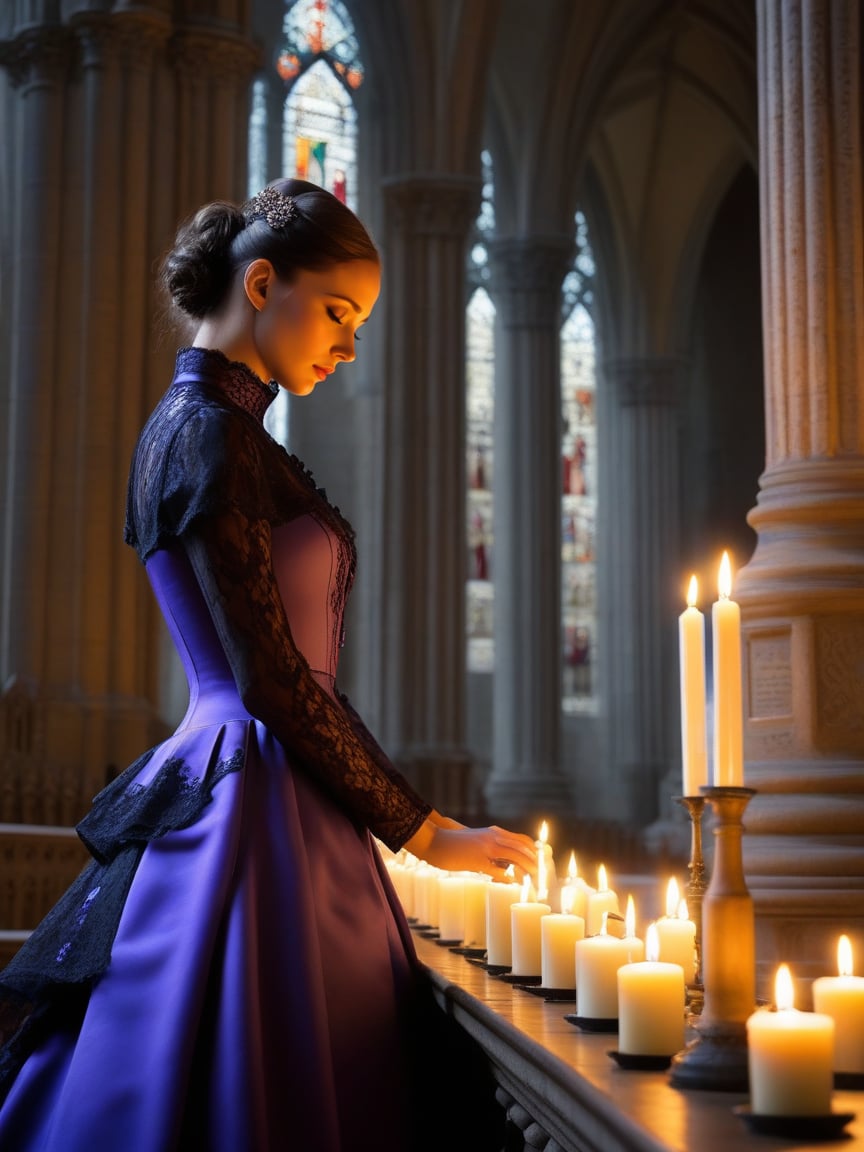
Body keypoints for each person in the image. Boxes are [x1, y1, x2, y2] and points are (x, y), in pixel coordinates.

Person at [0, 178, 537, 1151]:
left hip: (259, 784)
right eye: (337, 312)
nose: (347, 344)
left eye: (358, 322)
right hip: (258, 805)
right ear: (260, 282)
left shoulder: (212, 428)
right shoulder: (209, 435)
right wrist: (425, 832)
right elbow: (272, 680)